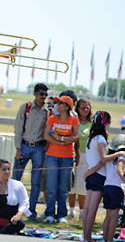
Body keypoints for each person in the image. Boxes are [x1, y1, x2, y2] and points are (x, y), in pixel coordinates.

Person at [12, 83, 49, 219]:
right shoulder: (26, 108)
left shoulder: (47, 111)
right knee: (16, 179)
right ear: (34, 94)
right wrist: (18, 149)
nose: (43, 97)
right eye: (41, 94)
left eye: (45, 94)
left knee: (36, 182)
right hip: (24, 146)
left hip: (39, 148)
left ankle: (31, 210)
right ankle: (13, 208)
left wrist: (46, 145)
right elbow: (18, 129)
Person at [43, 95, 80, 223]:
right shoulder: (52, 118)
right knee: (51, 187)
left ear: (67, 107)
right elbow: (46, 135)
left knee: (63, 188)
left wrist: (61, 138)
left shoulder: (74, 120)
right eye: (57, 103)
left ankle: (61, 215)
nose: (58, 105)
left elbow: (76, 137)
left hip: (67, 157)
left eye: (60, 103)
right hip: (52, 156)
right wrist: (60, 141)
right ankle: (50, 214)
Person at [81, 111, 110, 242]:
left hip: (91, 175)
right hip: (98, 175)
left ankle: (85, 235)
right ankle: (88, 237)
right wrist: (118, 154)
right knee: (92, 209)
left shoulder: (91, 138)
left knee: (87, 208)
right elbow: (103, 159)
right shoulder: (100, 139)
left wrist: (88, 172)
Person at [0, 159, 29, 234]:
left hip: (11, 219)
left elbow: (24, 202)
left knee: (20, 224)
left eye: (8, 169)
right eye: (4, 170)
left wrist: (18, 215)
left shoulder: (18, 185)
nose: (7, 172)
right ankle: (2, 231)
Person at [69, 97, 92, 219]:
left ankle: (82, 211)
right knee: (71, 184)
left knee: (82, 185)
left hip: (86, 156)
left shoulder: (92, 124)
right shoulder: (73, 120)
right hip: (72, 154)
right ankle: (71, 210)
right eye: (82, 107)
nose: (85, 109)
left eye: (87, 107)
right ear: (78, 108)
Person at [101, 135, 125, 242]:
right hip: (116, 188)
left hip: (106, 187)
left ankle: (105, 238)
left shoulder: (109, 156)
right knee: (114, 217)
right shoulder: (122, 155)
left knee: (108, 216)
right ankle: (110, 239)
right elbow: (119, 170)